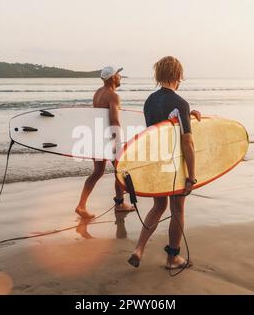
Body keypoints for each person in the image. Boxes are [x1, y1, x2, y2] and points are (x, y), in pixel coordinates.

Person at [128, 56, 201, 270]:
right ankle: (173, 258)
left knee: (159, 206)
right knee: (177, 209)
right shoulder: (180, 103)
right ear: (178, 75)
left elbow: (161, 127)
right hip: (174, 165)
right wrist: (191, 176)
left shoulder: (149, 101)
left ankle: (139, 249)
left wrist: (191, 114)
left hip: (155, 161)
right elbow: (187, 143)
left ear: (159, 76)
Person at [75, 66, 134, 219]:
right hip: (109, 139)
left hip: (97, 138)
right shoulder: (113, 96)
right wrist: (118, 143)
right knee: (120, 170)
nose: (120, 77)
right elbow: (114, 120)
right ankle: (120, 204)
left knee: (97, 172)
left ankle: (81, 205)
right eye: (118, 75)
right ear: (112, 78)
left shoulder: (98, 93)